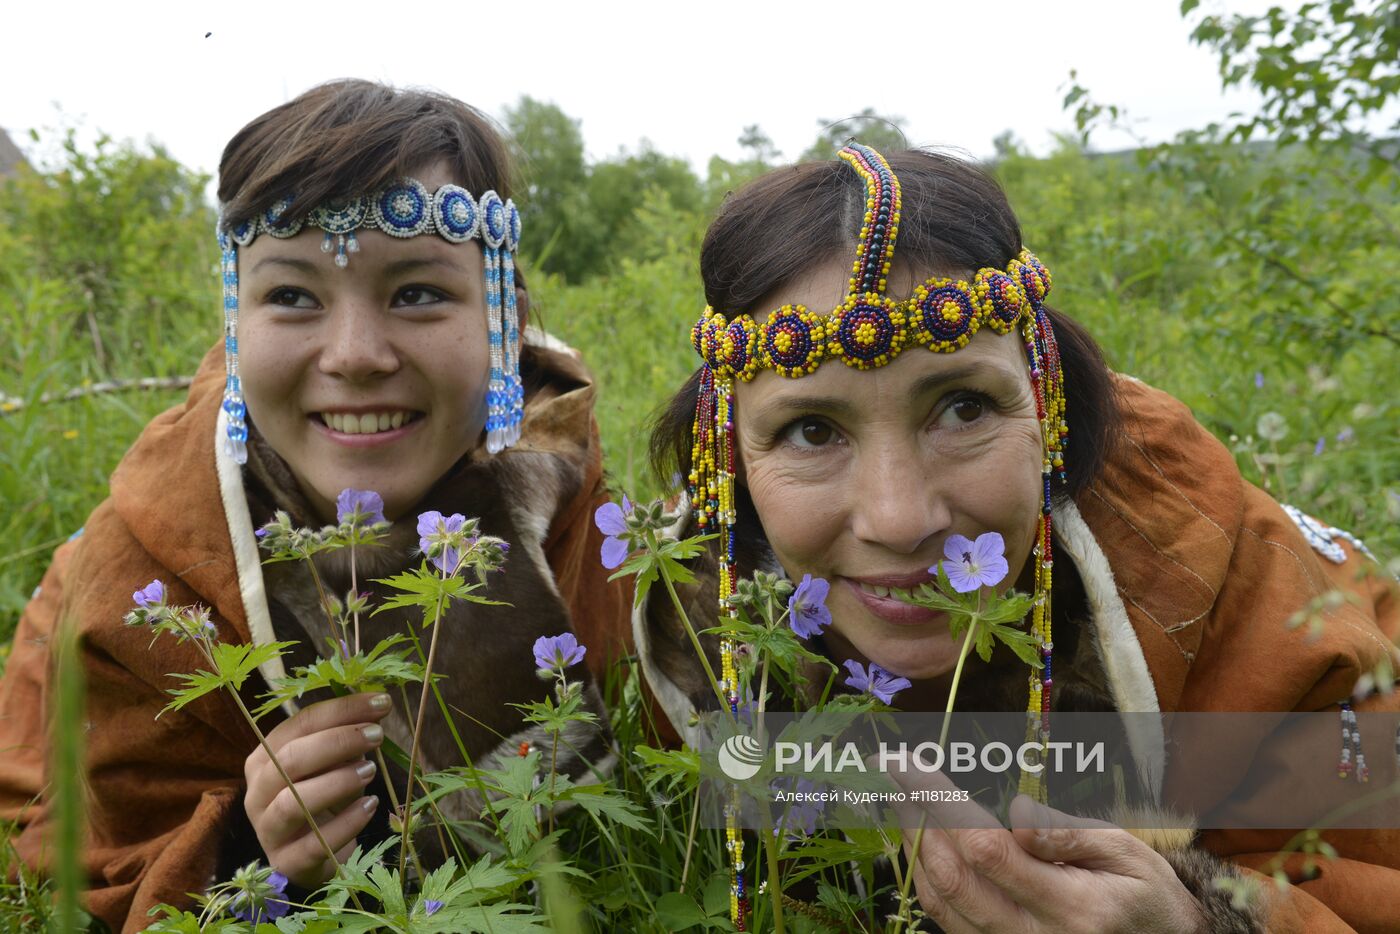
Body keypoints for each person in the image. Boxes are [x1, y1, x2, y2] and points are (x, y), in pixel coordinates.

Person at [637, 145, 1400, 932]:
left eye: (963, 408)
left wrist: (1196, 922)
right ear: (728, 452)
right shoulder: (683, 615)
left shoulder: (1240, 595)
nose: (899, 520)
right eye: (811, 430)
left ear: (1045, 399)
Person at [0, 80, 633, 931]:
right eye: (293, 296)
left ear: (505, 323)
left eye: (417, 293)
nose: (355, 356)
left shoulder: (586, 507)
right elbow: (61, 862)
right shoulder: (133, 577)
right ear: (237, 324)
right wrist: (247, 856)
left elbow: (763, 772)